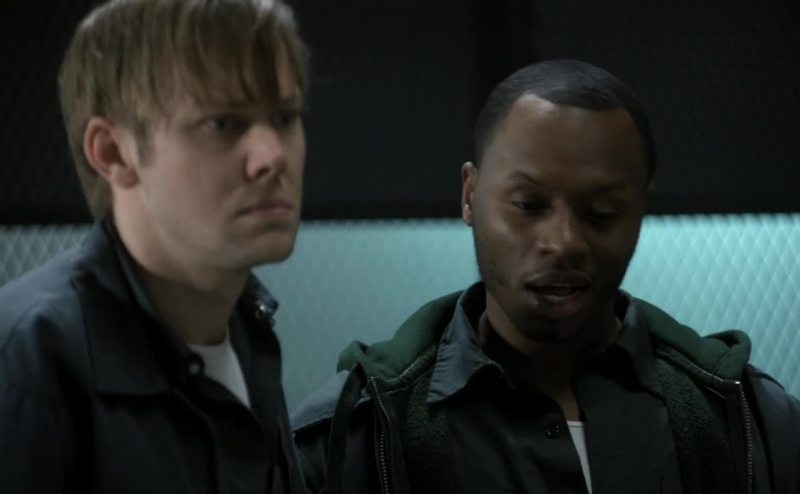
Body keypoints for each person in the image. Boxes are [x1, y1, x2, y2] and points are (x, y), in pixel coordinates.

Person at [292, 60, 800, 493]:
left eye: (601, 213)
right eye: (529, 205)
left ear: (641, 206)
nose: (563, 242)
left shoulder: (749, 420)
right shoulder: (358, 431)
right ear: (470, 195)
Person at [0, 0, 309, 492]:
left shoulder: (247, 331)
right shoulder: (27, 361)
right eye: (222, 123)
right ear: (113, 152)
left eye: (285, 117)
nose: (272, 155)